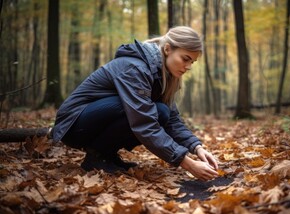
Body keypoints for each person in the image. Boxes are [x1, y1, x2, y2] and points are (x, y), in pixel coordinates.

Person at [52, 26, 219, 181]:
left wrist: (197, 147)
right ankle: (96, 156)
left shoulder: (162, 76)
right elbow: (144, 123)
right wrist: (188, 164)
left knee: (162, 112)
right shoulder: (135, 68)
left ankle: (107, 155)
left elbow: (172, 120)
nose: (188, 66)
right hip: (73, 125)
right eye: (185, 59)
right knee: (145, 111)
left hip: (94, 122)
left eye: (192, 62)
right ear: (168, 49)